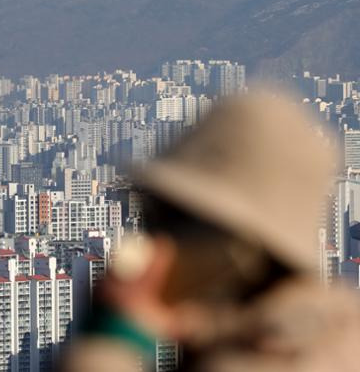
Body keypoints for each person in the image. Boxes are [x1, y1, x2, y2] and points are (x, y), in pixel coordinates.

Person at [60, 92, 360, 372]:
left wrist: (109, 343)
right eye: (151, 214)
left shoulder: (277, 359)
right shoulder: (316, 334)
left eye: (177, 220)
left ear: (240, 245)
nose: (156, 241)